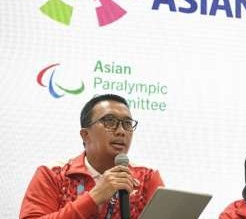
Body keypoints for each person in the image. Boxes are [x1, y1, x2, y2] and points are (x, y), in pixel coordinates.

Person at [19, 94, 164, 219]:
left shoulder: (146, 178)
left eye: (127, 124)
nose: (121, 131)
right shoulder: (54, 174)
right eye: (110, 122)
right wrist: (93, 198)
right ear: (85, 135)